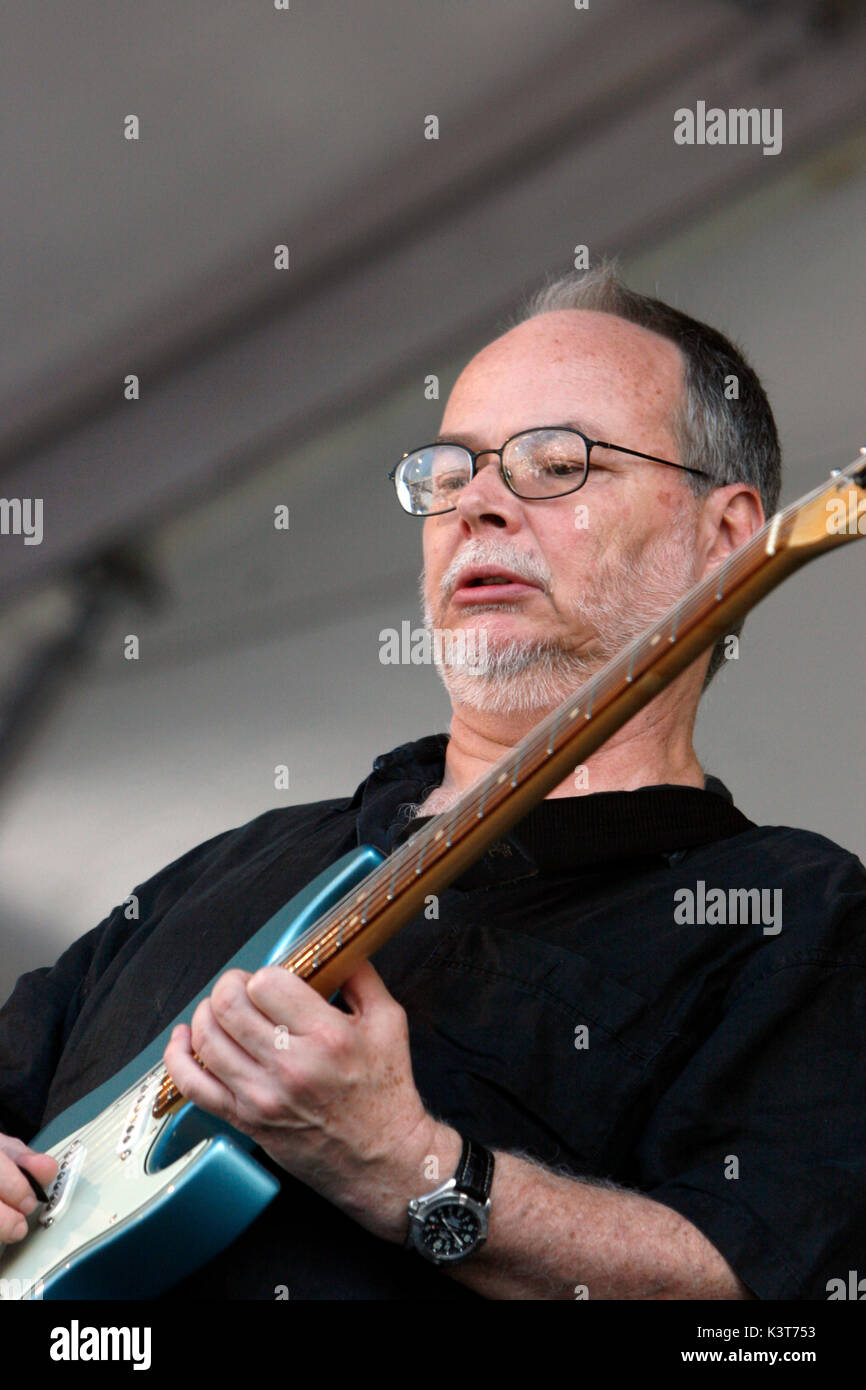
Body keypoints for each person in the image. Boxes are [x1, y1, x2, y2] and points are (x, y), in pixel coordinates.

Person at [1, 263, 865, 1301]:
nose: (479, 506)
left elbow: (773, 1295)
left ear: (724, 538)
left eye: (554, 463)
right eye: (449, 473)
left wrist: (415, 1170)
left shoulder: (795, 918)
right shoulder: (237, 861)